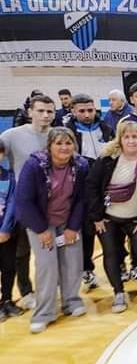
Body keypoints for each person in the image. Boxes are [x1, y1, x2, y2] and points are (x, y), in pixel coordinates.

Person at [16, 128, 88, 333]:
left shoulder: (81, 165)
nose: (64, 148)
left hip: (67, 220)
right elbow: (24, 201)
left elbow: (82, 199)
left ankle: (71, 302)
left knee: (72, 262)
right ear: (49, 146)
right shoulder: (34, 165)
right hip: (40, 221)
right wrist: (41, 230)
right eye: (59, 143)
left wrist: (73, 227)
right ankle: (44, 313)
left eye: (68, 143)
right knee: (47, 267)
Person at [86, 121, 137, 313]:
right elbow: (91, 187)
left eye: (134, 136)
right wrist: (96, 217)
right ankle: (118, 292)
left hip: (135, 218)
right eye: (126, 137)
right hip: (109, 218)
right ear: (119, 139)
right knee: (111, 253)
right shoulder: (107, 159)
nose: (131, 141)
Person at [0, 94, 56, 310]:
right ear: (30, 112)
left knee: (51, 250)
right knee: (21, 252)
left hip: (52, 204)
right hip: (22, 204)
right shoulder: (11, 135)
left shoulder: (56, 135)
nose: (45, 115)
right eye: (40, 110)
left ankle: (52, 289)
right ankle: (26, 291)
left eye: (50, 111)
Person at [64, 94, 112, 290]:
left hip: (106, 190)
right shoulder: (67, 134)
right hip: (80, 192)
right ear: (73, 111)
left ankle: (119, 266)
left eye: (90, 110)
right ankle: (87, 269)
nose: (86, 114)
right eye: (82, 111)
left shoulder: (107, 129)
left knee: (111, 234)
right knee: (86, 234)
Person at [0, 141, 23, 319]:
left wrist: (5, 229)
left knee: (8, 268)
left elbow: (12, 204)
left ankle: (7, 299)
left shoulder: (9, 177)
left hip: (5, 233)